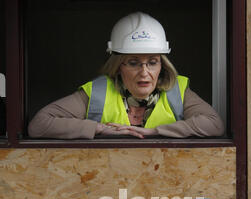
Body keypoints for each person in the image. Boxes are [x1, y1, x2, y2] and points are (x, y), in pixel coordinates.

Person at [28, 12, 224, 140]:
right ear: (118, 66)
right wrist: (98, 129)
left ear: (162, 66)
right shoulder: (98, 92)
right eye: (133, 62)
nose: (144, 72)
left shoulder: (177, 90)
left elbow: (215, 125)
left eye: (153, 62)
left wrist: (155, 132)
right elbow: (39, 125)